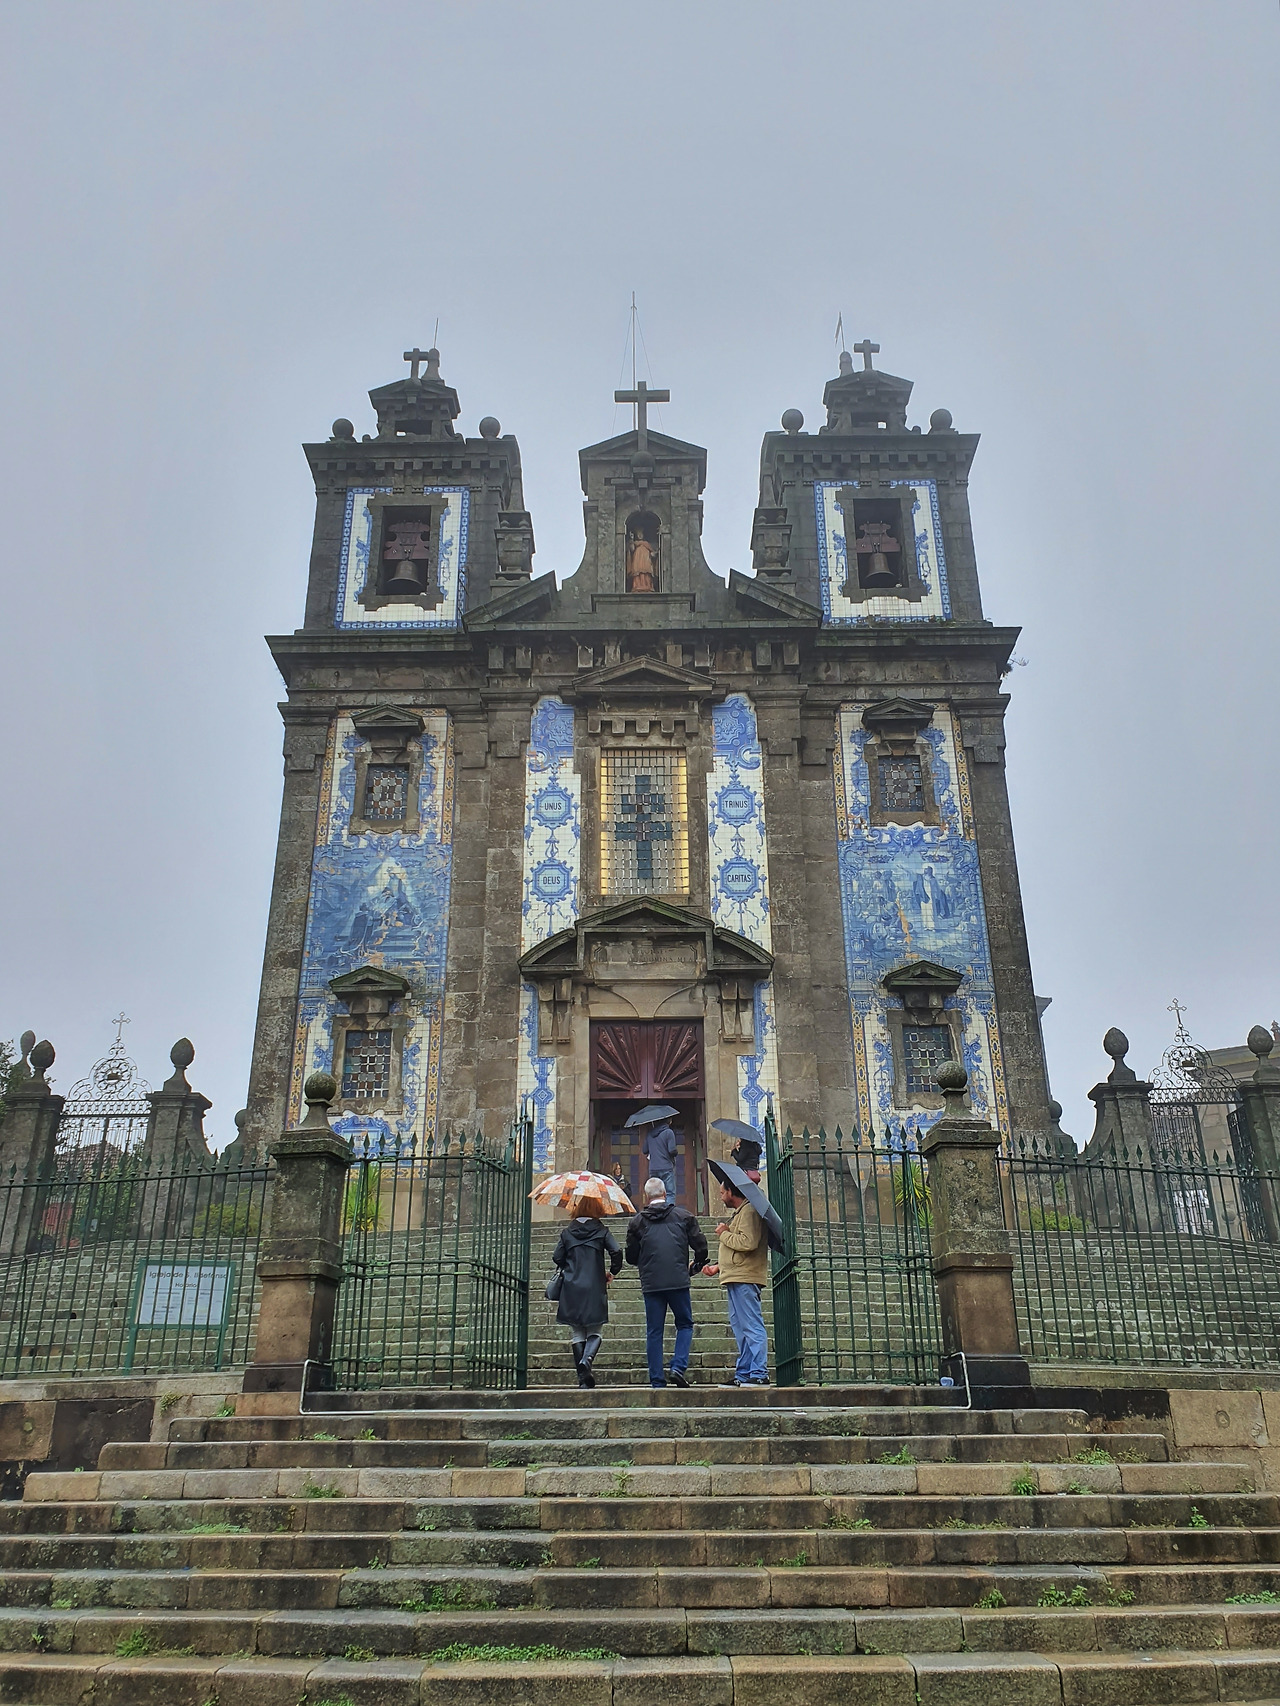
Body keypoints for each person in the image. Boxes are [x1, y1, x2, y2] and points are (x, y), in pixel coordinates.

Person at [625, 1177, 708, 1388]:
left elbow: (631, 1257)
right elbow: (701, 1246)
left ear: (646, 1196)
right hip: (678, 1279)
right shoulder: (684, 1216)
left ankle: (656, 1379)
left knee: (654, 1331)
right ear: (664, 1193)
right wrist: (696, 1262)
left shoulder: (637, 1222)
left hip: (652, 1282)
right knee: (685, 1324)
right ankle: (678, 1367)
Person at [702, 1178, 770, 1386]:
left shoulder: (749, 1211)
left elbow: (748, 1243)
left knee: (751, 1326)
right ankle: (744, 1373)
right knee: (741, 1328)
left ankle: (759, 1372)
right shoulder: (741, 1212)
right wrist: (718, 1266)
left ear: (731, 1192)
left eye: (722, 1192)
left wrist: (724, 1233)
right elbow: (737, 1250)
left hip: (745, 1277)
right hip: (736, 1276)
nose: (721, 1197)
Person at [551, 1195, 623, 1389]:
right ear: (596, 1209)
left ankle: (583, 1380)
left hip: (571, 1286)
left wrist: (569, 1264)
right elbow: (616, 1251)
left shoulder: (568, 1232)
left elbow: (557, 1257)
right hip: (594, 1285)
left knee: (577, 1332)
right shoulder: (601, 1230)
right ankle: (587, 1360)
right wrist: (612, 1272)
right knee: (595, 1330)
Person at [642, 1118, 679, 1203]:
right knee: (669, 1193)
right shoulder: (668, 1132)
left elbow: (644, 1150)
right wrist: (676, 1152)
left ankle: (655, 1209)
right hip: (666, 1167)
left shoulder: (650, 1134)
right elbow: (672, 1150)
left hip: (653, 1168)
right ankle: (668, 1211)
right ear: (668, 1121)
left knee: (654, 1193)